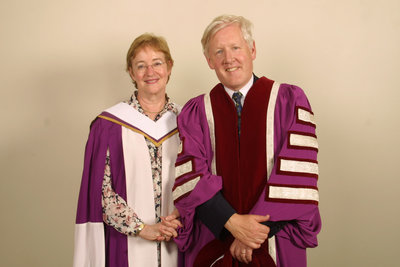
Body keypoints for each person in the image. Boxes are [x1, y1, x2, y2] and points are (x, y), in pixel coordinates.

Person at [171, 15, 321, 266]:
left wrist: (250, 235)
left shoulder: (289, 100)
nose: (228, 58)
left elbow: (297, 176)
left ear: (252, 50)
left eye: (236, 47)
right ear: (209, 61)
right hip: (215, 234)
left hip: (276, 236)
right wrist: (232, 223)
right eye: (219, 51)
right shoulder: (196, 111)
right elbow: (192, 176)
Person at [73, 33, 182, 267]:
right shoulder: (108, 125)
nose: (150, 72)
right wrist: (142, 228)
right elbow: (100, 191)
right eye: (141, 66)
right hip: (126, 244)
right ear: (132, 73)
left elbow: (199, 180)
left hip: (179, 239)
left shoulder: (188, 122)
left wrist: (179, 217)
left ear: (169, 67)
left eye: (157, 63)